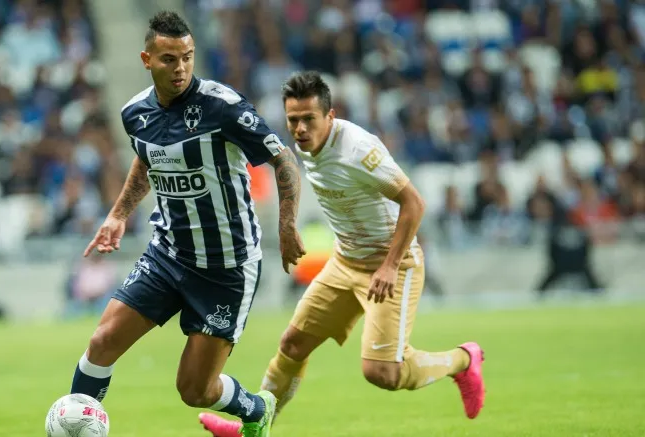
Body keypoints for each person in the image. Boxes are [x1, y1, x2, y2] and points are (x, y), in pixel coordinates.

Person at [200, 72, 485, 436]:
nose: (300, 129)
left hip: (392, 265)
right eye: (293, 120)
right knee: (292, 344)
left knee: (382, 373)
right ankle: (252, 427)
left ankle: (463, 360)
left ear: (330, 117)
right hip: (346, 261)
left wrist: (389, 266)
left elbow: (414, 203)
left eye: (308, 119)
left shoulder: (358, 150)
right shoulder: (304, 148)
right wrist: (287, 228)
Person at [69, 11, 305, 437]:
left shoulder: (223, 107)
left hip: (226, 267)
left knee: (194, 389)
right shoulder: (134, 113)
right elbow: (146, 158)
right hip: (168, 253)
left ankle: (256, 409)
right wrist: (119, 214)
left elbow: (284, 162)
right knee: (101, 343)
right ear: (146, 59)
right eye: (168, 59)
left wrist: (286, 228)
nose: (180, 68)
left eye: (187, 57)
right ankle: (77, 429)